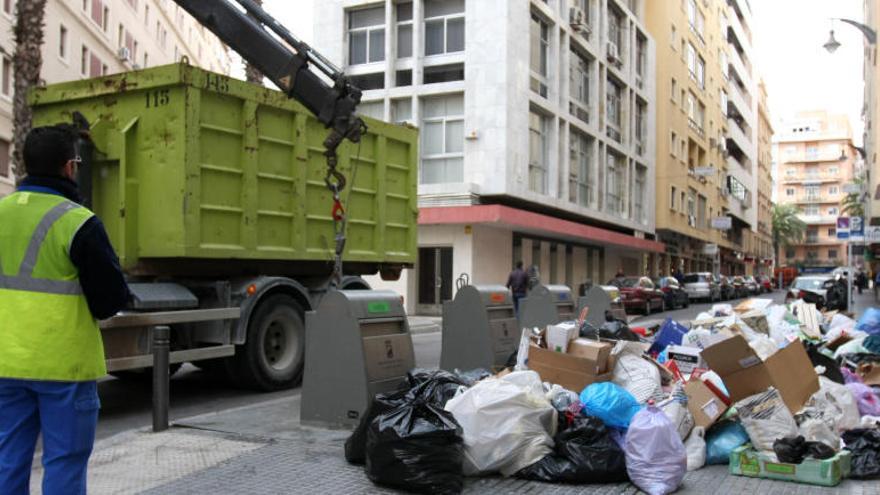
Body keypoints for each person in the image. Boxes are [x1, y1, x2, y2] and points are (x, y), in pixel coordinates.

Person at [0, 125, 131, 494]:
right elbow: (109, 301)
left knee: (7, 459)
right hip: (63, 367)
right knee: (64, 463)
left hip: (4, 364)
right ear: (69, 167)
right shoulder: (78, 222)